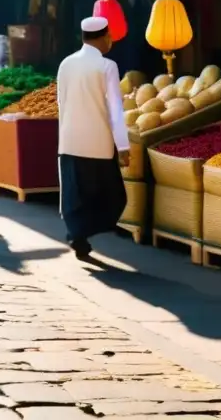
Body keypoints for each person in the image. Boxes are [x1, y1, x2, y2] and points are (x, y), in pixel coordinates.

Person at [56, 16, 129, 261]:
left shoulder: (65, 63)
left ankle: (77, 232)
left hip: (69, 141)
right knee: (113, 196)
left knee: (75, 195)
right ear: (104, 37)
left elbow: (61, 103)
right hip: (98, 143)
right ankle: (83, 232)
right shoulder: (107, 66)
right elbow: (116, 109)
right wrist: (123, 145)